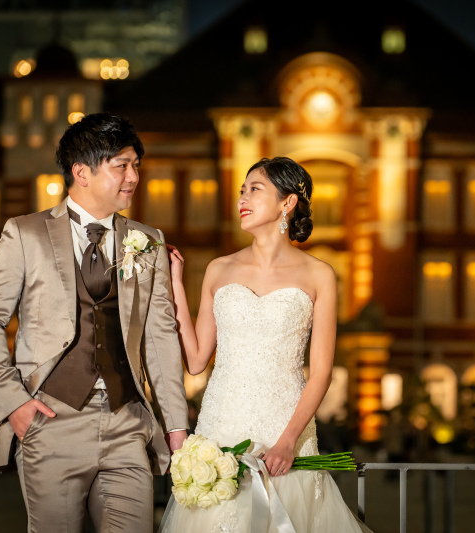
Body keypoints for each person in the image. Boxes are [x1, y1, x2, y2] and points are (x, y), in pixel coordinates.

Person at [0, 113, 188, 532]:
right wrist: (13, 402)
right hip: (52, 422)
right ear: (81, 172)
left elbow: (160, 338)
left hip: (127, 424)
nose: (134, 176)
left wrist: (176, 425)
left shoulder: (148, 240)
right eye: (121, 165)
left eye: (136, 165)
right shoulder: (25, 233)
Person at [159, 157, 371, 532]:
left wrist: (288, 441)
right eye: (242, 190)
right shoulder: (219, 269)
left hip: (285, 427)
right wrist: (175, 281)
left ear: (287, 203)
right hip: (222, 423)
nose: (243, 198)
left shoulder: (319, 274)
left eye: (254, 189)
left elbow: (321, 373)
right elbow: (194, 361)